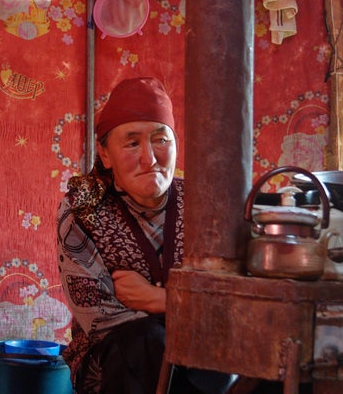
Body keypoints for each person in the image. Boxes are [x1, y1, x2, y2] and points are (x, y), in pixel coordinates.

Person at [56, 77, 233, 394]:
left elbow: (235, 307)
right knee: (145, 342)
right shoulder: (84, 207)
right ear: (106, 154)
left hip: (202, 355)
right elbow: (98, 314)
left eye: (161, 140)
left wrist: (163, 300)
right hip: (115, 360)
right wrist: (195, 308)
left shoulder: (205, 206)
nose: (149, 159)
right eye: (132, 143)